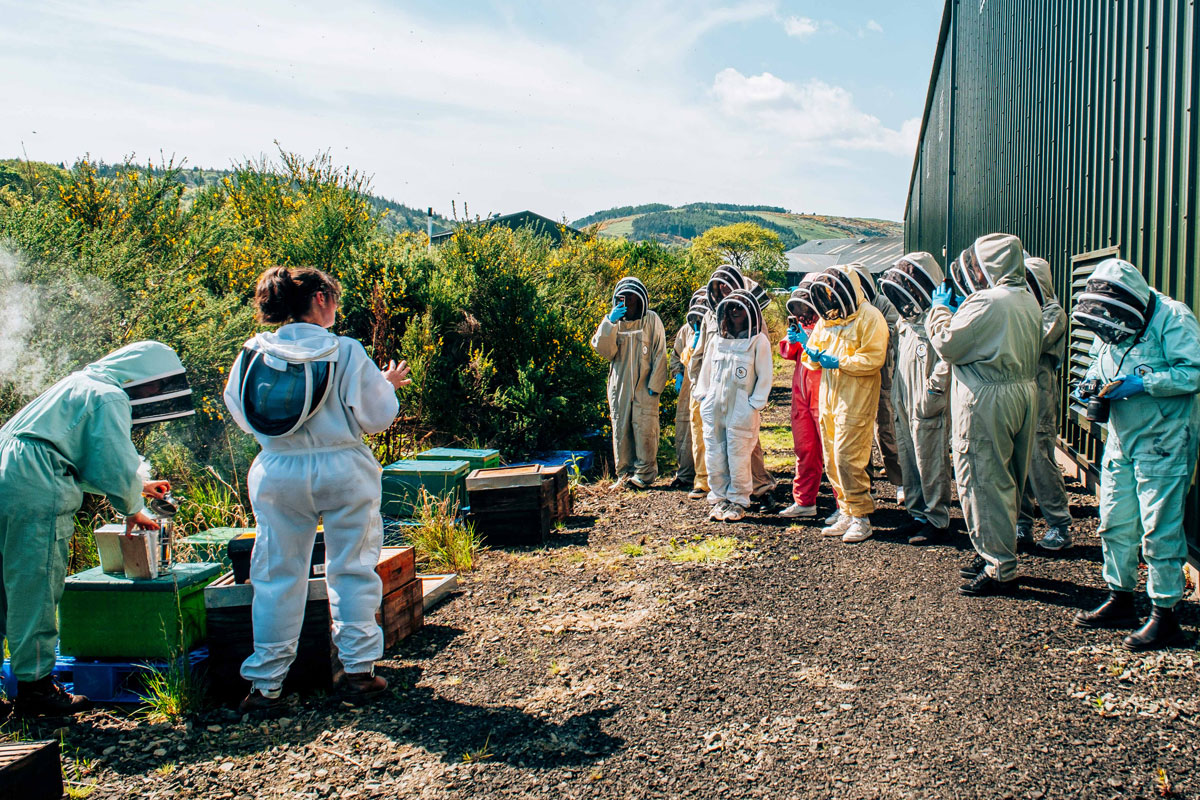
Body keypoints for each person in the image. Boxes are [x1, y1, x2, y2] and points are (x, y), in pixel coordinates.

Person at [224, 266, 410, 713]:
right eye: (336, 297)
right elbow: (377, 415)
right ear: (322, 299)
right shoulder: (344, 350)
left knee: (276, 575)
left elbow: (240, 408)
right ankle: (358, 672)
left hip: (277, 471)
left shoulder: (253, 351)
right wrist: (385, 385)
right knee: (351, 567)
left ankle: (266, 685)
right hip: (343, 467)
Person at [0, 341, 191, 716]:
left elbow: (66, 454)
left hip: (8, 471)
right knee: (34, 584)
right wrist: (133, 508)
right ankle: (36, 693)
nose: (154, 394)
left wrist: (139, 487)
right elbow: (112, 460)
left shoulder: (77, 385)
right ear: (141, 375)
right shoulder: (109, 396)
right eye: (155, 386)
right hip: (31, 488)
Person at [1071, 258, 1200, 650]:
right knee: (1114, 520)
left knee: (1159, 527)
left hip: (1165, 437)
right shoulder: (1109, 317)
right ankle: (1120, 597)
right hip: (1121, 437)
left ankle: (1165, 614)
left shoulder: (1173, 316)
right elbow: (1099, 356)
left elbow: (1195, 371)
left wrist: (1144, 383)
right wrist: (1091, 382)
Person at [929, 233, 1042, 596]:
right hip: (1022, 391)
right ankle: (992, 549)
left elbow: (947, 344)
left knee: (981, 478)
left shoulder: (987, 302)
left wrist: (940, 310)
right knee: (1007, 477)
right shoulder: (1026, 300)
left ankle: (999, 567)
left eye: (978, 265)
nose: (973, 273)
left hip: (986, 397)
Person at [801, 265, 888, 543]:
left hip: (856, 399)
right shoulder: (830, 319)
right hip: (829, 398)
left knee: (848, 458)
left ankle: (862, 517)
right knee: (831, 458)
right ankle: (847, 511)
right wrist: (812, 353)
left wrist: (840, 361)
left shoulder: (870, 317)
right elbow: (811, 358)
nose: (831, 297)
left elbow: (874, 358)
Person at [689, 264, 778, 507]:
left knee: (748, 447)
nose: (724, 290)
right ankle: (721, 492)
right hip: (716, 393)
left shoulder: (751, 314)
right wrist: (701, 390)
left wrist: (755, 402)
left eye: (728, 285)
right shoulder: (711, 315)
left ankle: (759, 488)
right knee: (716, 446)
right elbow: (703, 353)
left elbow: (762, 356)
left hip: (742, 395)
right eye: (719, 287)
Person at [879, 253, 953, 544]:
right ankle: (917, 514)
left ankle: (937, 519)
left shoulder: (939, 320)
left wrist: (935, 390)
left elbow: (949, 357)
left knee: (931, 460)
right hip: (904, 399)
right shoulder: (906, 323)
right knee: (909, 458)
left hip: (927, 402)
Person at [1017, 256, 1073, 550]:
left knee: (1040, 460)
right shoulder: (1021, 311)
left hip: (1041, 393)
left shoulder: (1054, 312)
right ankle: (1022, 524)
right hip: (1018, 392)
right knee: (1018, 462)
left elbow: (1032, 343)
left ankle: (1059, 525)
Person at [591, 276, 668, 489]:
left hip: (645, 385)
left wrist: (655, 386)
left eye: (633, 298)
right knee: (621, 428)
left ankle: (644, 474)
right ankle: (624, 475)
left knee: (645, 428)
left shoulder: (652, 320)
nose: (629, 302)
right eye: (624, 298)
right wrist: (609, 322)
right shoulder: (613, 322)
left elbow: (660, 353)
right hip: (620, 385)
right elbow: (605, 351)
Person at [851, 264, 904, 497]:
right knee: (857, 434)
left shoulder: (883, 304)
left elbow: (894, 332)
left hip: (882, 375)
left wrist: (874, 334)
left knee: (886, 429)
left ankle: (901, 481)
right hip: (855, 376)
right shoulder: (846, 307)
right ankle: (866, 483)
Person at [778, 275, 823, 519]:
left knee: (832, 451)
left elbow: (828, 357)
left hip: (823, 394)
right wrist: (797, 337)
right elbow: (786, 351)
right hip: (802, 396)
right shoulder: (802, 324)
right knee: (804, 449)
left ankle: (845, 507)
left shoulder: (831, 322)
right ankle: (805, 501)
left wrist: (809, 342)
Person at [667, 290, 708, 490]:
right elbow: (676, 356)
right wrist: (677, 374)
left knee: (705, 433)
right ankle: (685, 474)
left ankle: (707, 477)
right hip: (687, 388)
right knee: (684, 431)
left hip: (707, 385)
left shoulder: (715, 328)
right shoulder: (685, 330)